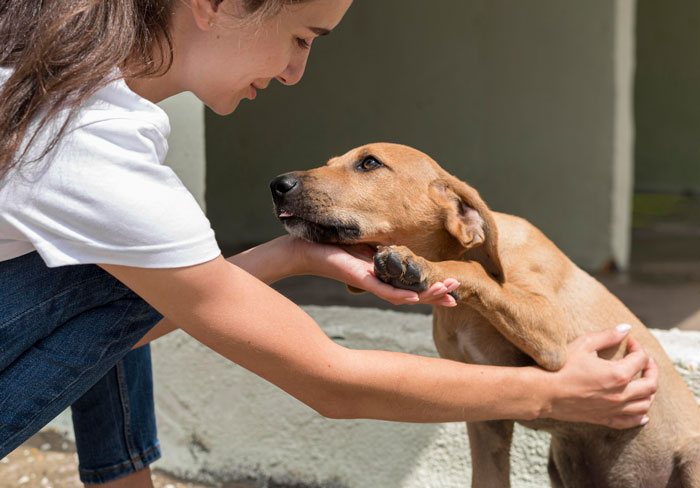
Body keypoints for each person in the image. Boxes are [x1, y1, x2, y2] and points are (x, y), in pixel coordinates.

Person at [0, 1, 658, 487]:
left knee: (140, 266)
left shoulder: (62, 81)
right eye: (300, 37)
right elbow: (330, 381)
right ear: (216, 7)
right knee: (135, 265)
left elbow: (155, 310)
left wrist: (295, 254)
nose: (294, 72)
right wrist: (554, 395)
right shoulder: (86, 139)